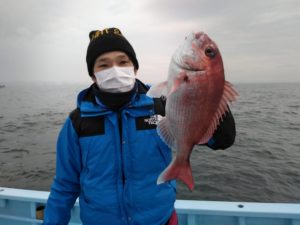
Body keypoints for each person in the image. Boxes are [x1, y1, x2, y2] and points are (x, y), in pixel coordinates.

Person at [44, 27, 236, 225]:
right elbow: (64, 187)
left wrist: (210, 89)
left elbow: (222, 140)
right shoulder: (77, 123)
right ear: (93, 75)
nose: (115, 69)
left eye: (123, 62)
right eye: (103, 65)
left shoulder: (162, 106)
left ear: (135, 68)